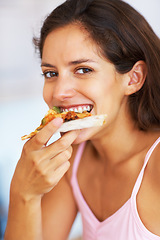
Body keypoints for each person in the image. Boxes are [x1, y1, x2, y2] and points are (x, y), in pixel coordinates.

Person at [4, 0, 160, 239]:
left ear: (133, 79)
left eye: (83, 70)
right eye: (51, 73)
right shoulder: (73, 159)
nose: (59, 93)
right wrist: (24, 193)